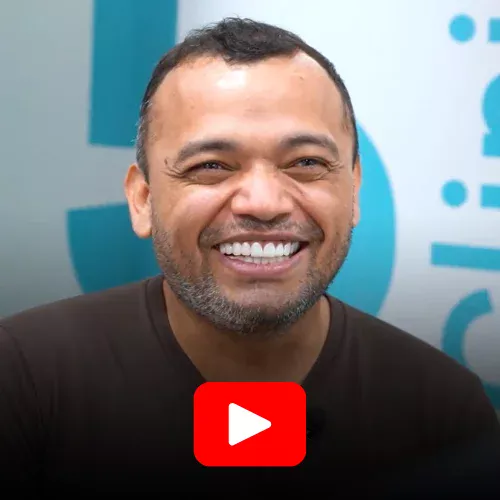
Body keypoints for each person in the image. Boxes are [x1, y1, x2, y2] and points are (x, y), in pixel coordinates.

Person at [0, 17, 499, 497]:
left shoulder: (445, 414)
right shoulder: (25, 378)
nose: (263, 203)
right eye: (211, 166)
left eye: (306, 163)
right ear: (143, 200)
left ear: (354, 190)